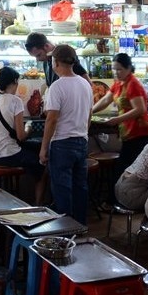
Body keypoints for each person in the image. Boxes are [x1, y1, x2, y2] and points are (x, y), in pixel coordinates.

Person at [91, 53, 148, 207]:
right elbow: (106, 100)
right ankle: (117, 201)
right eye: (114, 69)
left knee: (123, 169)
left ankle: (117, 202)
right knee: (122, 169)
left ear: (128, 68)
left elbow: (140, 109)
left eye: (119, 69)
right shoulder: (118, 83)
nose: (116, 72)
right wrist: (90, 111)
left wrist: (117, 120)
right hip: (129, 135)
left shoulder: (133, 84)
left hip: (140, 135)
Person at [39, 44, 93, 224]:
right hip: (81, 141)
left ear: (55, 62)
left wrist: (43, 148)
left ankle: (65, 232)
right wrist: (84, 133)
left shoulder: (56, 86)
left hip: (62, 143)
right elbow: (89, 114)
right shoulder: (85, 84)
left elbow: (51, 119)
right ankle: (80, 228)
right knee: (80, 188)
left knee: (62, 191)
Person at [0, 67, 46, 205]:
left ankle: (10, 197)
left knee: (29, 153)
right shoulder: (16, 101)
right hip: (8, 156)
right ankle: (38, 205)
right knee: (42, 163)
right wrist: (28, 127)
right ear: (15, 82)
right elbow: (21, 136)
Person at [24, 32, 89, 86]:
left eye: (39, 55)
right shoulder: (46, 60)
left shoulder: (65, 54)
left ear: (47, 46)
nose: (37, 60)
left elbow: (86, 79)